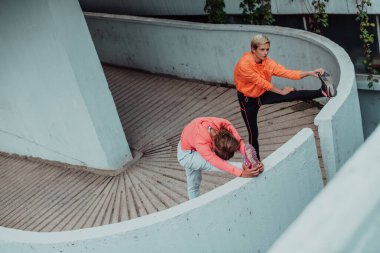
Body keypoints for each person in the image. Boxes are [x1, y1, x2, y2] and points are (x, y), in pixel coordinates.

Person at [234, 34, 336, 161]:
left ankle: (323, 92)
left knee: (291, 95)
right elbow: (262, 83)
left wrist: (310, 72)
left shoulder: (268, 63)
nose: (266, 53)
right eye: (262, 50)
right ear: (253, 49)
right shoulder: (244, 64)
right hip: (248, 101)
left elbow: (287, 72)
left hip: (262, 93)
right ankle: (255, 161)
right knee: (253, 132)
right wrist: (281, 92)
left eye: (267, 49)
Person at [177, 117, 263, 199]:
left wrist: (246, 153)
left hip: (189, 142)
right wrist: (241, 173)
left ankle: (251, 165)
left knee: (193, 185)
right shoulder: (201, 142)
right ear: (213, 147)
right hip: (187, 156)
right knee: (208, 166)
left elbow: (238, 142)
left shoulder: (224, 124)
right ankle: (250, 166)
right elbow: (218, 163)